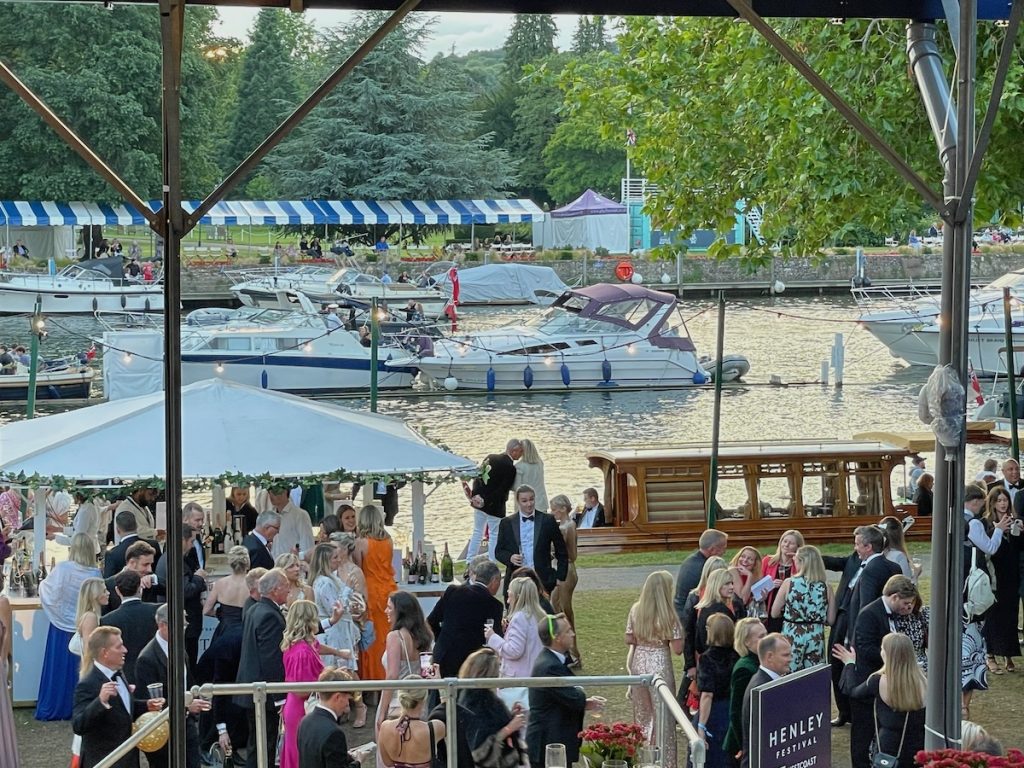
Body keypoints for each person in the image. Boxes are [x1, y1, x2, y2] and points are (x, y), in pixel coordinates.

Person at [833, 575, 919, 768]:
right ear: (894, 597)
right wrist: (896, 655)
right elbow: (865, 650)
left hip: (883, 682)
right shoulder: (870, 614)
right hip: (866, 683)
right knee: (862, 737)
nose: (908, 607)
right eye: (906, 603)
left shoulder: (893, 613)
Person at [71, 626, 163, 768]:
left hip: (128, 760)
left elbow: (123, 709)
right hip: (105, 761)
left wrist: (146, 705)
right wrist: (100, 701)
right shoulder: (88, 683)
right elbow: (78, 725)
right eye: (119, 647)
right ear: (105, 653)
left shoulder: (119, 674)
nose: (125, 650)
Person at [134, 604, 210, 768]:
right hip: (162, 732)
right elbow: (150, 703)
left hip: (186, 726)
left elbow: (188, 682)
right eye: (180, 624)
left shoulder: (179, 649)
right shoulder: (147, 659)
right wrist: (187, 707)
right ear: (162, 625)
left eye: (184, 624)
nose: (184, 628)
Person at [37, 532, 101, 720]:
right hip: (85, 624)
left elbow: (47, 590)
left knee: (58, 669)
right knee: (82, 665)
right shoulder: (95, 573)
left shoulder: (63, 569)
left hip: (61, 625)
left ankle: (56, 704)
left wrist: (59, 611)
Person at [526, 613, 603, 768]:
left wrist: (582, 699)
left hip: (552, 740)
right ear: (557, 637)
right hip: (548, 743)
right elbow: (575, 697)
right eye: (568, 631)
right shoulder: (549, 667)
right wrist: (580, 693)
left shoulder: (553, 660)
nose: (573, 634)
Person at [281, 600, 351, 768]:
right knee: (304, 756)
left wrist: (338, 653)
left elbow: (317, 646)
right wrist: (329, 677)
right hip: (301, 708)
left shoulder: (302, 644)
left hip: (296, 706)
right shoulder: (302, 652)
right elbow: (301, 690)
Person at [625, 570, 684, 768]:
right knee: (663, 718)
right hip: (660, 662)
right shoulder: (669, 615)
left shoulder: (636, 609)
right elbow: (678, 649)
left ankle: (642, 760)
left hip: (639, 661)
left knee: (642, 715)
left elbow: (629, 638)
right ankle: (665, 762)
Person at [197, 545, 250, 758]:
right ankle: (236, 736)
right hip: (244, 635)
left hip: (224, 633)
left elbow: (206, 609)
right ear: (247, 563)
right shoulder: (251, 584)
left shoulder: (221, 583)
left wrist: (222, 614)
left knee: (220, 684)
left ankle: (218, 731)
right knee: (240, 683)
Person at [962, 482, 1009, 719]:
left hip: (958, 580)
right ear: (976, 502)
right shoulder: (972, 522)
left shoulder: (953, 518)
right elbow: (989, 546)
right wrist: (999, 528)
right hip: (971, 581)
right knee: (975, 624)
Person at [236, 568, 290, 768]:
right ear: (275, 590)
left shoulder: (254, 609)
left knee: (256, 743)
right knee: (264, 744)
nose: (289, 590)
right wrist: (279, 697)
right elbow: (271, 658)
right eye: (285, 586)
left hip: (252, 686)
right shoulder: (269, 615)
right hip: (264, 692)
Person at [429, 560, 503, 678]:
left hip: (443, 655)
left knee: (438, 694)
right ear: (494, 580)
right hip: (471, 664)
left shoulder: (453, 591)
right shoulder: (494, 605)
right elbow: (495, 640)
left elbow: (432, 621)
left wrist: (443, 637)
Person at [495, 484, 568, 601]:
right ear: (518, 501)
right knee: (515, 617)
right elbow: (498, 551)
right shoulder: (506, 523)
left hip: (542, 580)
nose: (529, 504)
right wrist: (510, 557)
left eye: (531, 499)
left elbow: (562, 551)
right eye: (524, 501)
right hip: (516, 581)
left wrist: (559, 577)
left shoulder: (547, 520)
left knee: (542, 617)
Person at [485, 576, 545, 716]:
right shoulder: (539, 616)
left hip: (517, 678)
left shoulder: (519, 618)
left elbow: (514, 651)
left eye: (509, 595)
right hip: (534, 673)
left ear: (517, 597)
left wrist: (492, 637)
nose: (507, 600)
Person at [457, 648, 527, 768]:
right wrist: (510, 728)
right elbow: (479, 751)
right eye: (497, 669)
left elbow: (492, 725)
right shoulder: (474, 704)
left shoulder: (481, 698)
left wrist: (510, 716)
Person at [377, 591, 434, 735]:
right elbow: (427, 672)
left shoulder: (395, 637)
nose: (386, 611)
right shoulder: (425, 637)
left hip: (399, 701)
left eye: (389, 608)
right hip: (420, 702)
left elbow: (392, 676)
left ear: (400, 611)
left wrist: (382, 711)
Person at [771, 545, 835, 670]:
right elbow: (831, 620)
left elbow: (774, 612)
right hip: (815, 635)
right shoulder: (826, 587)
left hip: (792, 634)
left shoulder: (789, 583)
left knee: (790, 675)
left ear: (801, 562)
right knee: (813, 677)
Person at [154, 524, 207, 670]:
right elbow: (185, 590)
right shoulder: (175, 561)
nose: (192, 546)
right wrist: (198, 578)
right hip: (184, 624)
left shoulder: (173, 558)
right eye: (191, 542)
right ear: (182, 540)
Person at [355, 504, 394, 693]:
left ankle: (371, 682)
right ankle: (388, 675)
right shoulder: (389, 540)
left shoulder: (361, 543)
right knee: (387, 637)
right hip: (388, 588)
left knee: (371, 639)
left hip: (370, 591)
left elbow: (358, 570)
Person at [982, 486, 1020, 673]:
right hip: (995, 576)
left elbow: (1018, 549)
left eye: (1005, 500)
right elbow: (989, 550)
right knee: (994, 616)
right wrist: (998, 531)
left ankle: (1008, 653)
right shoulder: (987, 523)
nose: (1003, 504)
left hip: (1012, 576)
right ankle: (990, 655)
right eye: (1000, 500)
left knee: (1010, 615)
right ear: (993, 503)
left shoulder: (1014, 520)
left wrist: (1018, 532)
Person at [739, 633, 792, 768]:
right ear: (769, 657)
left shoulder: (768, 681)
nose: (790, 659)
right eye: (785, 655)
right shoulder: (762, 689)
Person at [467, 439, 522, 562]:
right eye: (520, 452)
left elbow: (478, 477)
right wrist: (488, 500)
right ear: (514, 451)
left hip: (479, 501)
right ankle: (492, 561)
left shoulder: (490, 458)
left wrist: (476, 495)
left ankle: (470, 560)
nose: (521, 455)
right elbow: (503, 489)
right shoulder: (510, 468)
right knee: (494, 534)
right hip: (496, 505)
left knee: (477, 531)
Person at [310, 543, 361, 674]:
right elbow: (334, 609)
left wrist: (351, 606)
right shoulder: (324, 582)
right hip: (333, 634)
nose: (339, 560)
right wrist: (348, 589)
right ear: (325, 561)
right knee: (340, 672)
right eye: (335, 557)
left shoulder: (330, 579)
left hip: (338, 630)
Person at [696, 614, 739, 768]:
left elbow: (707, 694)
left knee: (711, 759)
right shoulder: (737, 655)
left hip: (714, 713)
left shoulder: (707, 659)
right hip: (732, 711)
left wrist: (701, 726)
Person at [846, 526, 902, 645]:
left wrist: (857, 640)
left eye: (857, 544)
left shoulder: (869, 570)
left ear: (868, 547)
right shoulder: (895, 567)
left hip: (870, 636)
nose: (855, 548)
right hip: (891, 632)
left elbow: (865, 605)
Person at [99, 570, 158, 683]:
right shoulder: (157, 611)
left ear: (117, 591)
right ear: (140, 587)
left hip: (126, 677)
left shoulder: (107, 620)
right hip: (155, 674)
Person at [722, 618, 767, 766]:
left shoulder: (760, 662)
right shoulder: (744, 669)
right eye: (761, 637)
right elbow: (736, 711)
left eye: (766, 634)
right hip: (741, 748)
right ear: (747, 642)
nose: (766, 639)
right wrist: (744, 746)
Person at [297, 667, 359, 768]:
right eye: (347, 699)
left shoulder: (304, 721)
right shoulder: (334, 733)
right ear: (337, 697)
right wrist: (357, 762)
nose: (347, 705)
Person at [377, 680, 446, 768]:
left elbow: (388, 763)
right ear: (424, 699)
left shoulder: (385, 727)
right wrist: (441, 686)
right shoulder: (434, 728)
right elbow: (448, 714)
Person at [547, 494, 580, 663]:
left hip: (566, 570)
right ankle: (563, 650)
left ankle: (574, 653)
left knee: (566, 611)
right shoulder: (566, 525)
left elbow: (570, 554)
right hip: (562, 569)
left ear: (563, 509)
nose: (552, 513)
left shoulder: (567, 527)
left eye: (554, 510)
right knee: (554, 607)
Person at [674, 529, 729, 624]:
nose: (725, 552)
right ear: (712, 549)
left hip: (679, 610)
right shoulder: (705, 568)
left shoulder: (690, 560)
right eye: (723, 548)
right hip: (690, 617)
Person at [760, 529, 803, 633]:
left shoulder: (800, 564)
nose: (786, 545)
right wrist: (770, 585)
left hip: (791, 610)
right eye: (785, 541)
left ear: (798, 547)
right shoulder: (768, 561)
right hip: (770, 607)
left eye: (791, 543)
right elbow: (758, 584)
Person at [103, 539, 157, 613]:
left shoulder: (152, 580)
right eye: (145, 564)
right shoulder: (108, 585)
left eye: (151, 564)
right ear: (132, 563)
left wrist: (155, 579)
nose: (150, 569)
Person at [265, 485, 315, 559]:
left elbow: (307, 544)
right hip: (275, 564)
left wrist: (300, 559)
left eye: (275, 492)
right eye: (269, 492)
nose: (271, 495)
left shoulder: (300, 515)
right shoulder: (271, 514)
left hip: (293, 564)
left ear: (285, 492)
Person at [513, 439, 547, 513]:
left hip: (525, 505)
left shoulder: (519, 466)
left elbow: (517, 487)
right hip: (541, 502)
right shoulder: (540, 463)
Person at [728, 546, 764, 610]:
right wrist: (749, 576)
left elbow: (754, 599)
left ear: (755, 564)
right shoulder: (733, 571)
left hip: (748, 611)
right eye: (743, 556)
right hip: (733, 610)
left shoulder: (757, 575)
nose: (745, 560)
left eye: (750, 559)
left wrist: (762, 597)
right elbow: (743, 600)